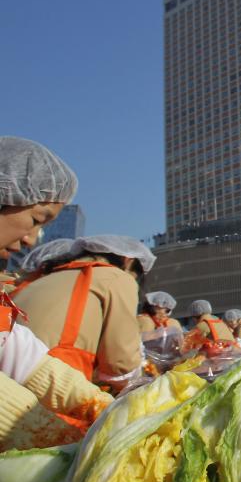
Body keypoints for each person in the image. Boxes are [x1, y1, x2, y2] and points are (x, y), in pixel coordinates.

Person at [0, 137, 113, 450]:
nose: (31, 240)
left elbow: (21, 356)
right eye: (36, 220)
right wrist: (44, 432)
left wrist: (104, 409)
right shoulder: (114, 278)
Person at [17, 234, 155, 391]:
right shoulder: (117, 278)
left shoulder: (43, 279)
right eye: (135, 275)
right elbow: (121, 363)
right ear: (128, 260)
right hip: (51, 389)